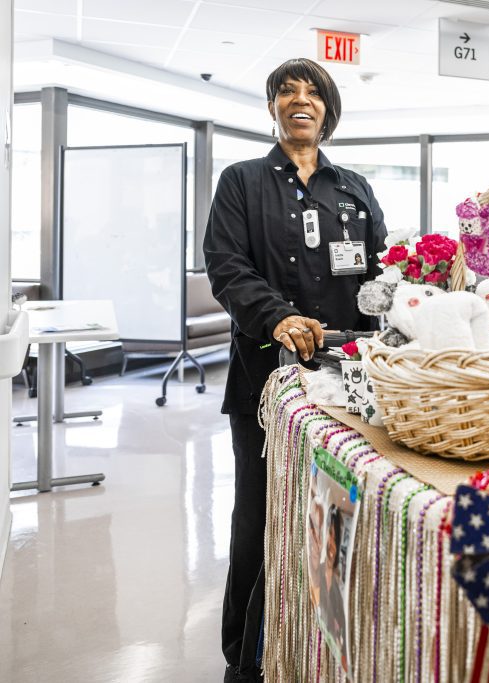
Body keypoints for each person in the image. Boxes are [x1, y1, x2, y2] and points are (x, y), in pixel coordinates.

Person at [204, 57, 387, 682]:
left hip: (346, 389)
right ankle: (245, 658)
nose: (300, 100)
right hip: (265, 385)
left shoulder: (355, 189)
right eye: (288, 91)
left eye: (314, 92)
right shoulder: (242, 182)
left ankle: (320, 646)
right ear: (273, 107)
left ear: (328, 111)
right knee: (258, 520)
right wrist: (277, 316)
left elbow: (381, 277)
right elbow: (225, 265)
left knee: (335, 511)